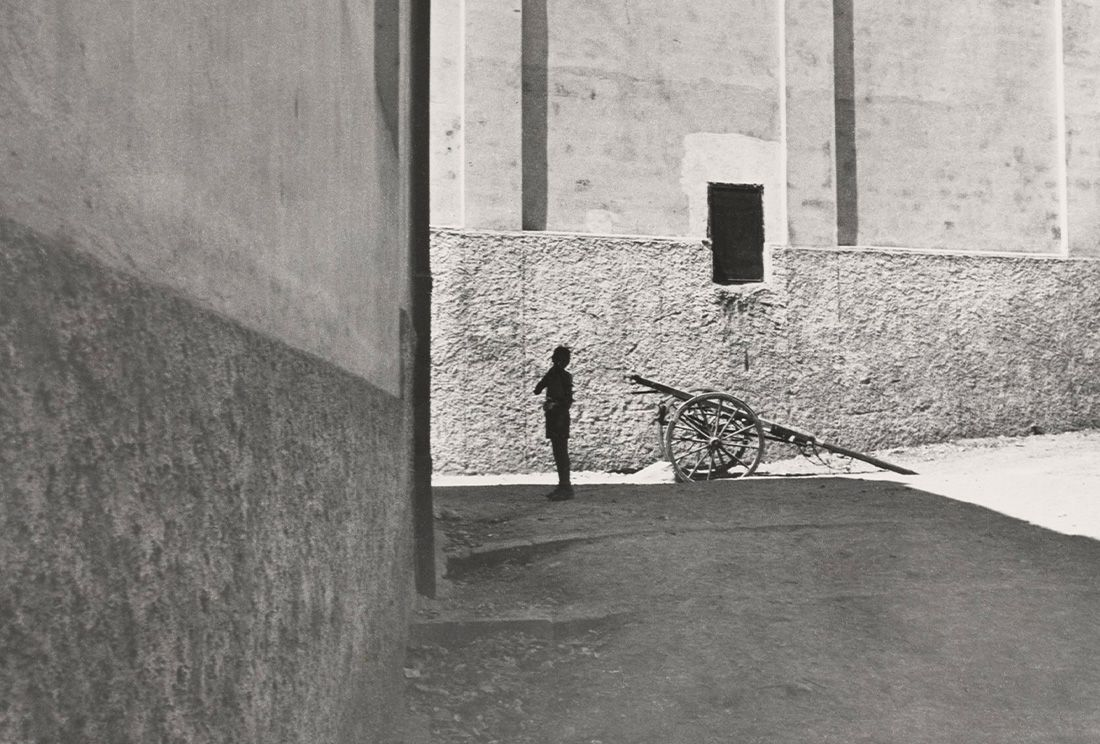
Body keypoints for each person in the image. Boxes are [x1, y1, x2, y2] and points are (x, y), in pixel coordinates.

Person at [534, 346, 574, 500]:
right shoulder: (556, 375)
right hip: (554, 417)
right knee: (559, 451)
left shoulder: (562, 376)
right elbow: (538, 389)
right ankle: (563, 485)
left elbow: (567, 401)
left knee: (561, 451)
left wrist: (554, 404)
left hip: (560, 418)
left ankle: (565, 486)